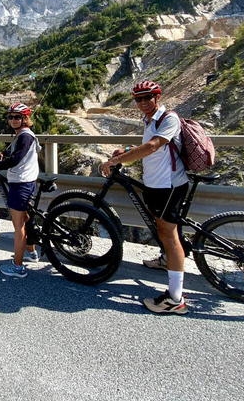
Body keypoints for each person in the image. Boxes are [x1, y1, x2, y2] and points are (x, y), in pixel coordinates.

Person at [101, 81, 190, 315]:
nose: (142, 102)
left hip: (169, 184)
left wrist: (116, 161)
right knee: (164, 230)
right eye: (138, 99)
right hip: (154, 183)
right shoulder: (149, 120)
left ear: (157, 96)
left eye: (147, 97)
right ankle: (165, 259)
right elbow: (147, 145)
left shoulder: (168, 118)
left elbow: (153, 146)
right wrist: (127, 150)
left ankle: (176, 299)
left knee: (168, 235)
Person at [0, 103, 41, 278]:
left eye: (17, 117)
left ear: (25, 119)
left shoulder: (25, 136)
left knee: (18, 224)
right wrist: (3, 155)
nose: (13, 120)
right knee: (25, 218)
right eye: (11, 117)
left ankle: (18, 267)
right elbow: (16, 154)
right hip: (25, 181)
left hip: (21, 183)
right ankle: (32, 253)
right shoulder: (21, 135)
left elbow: (16, 160)